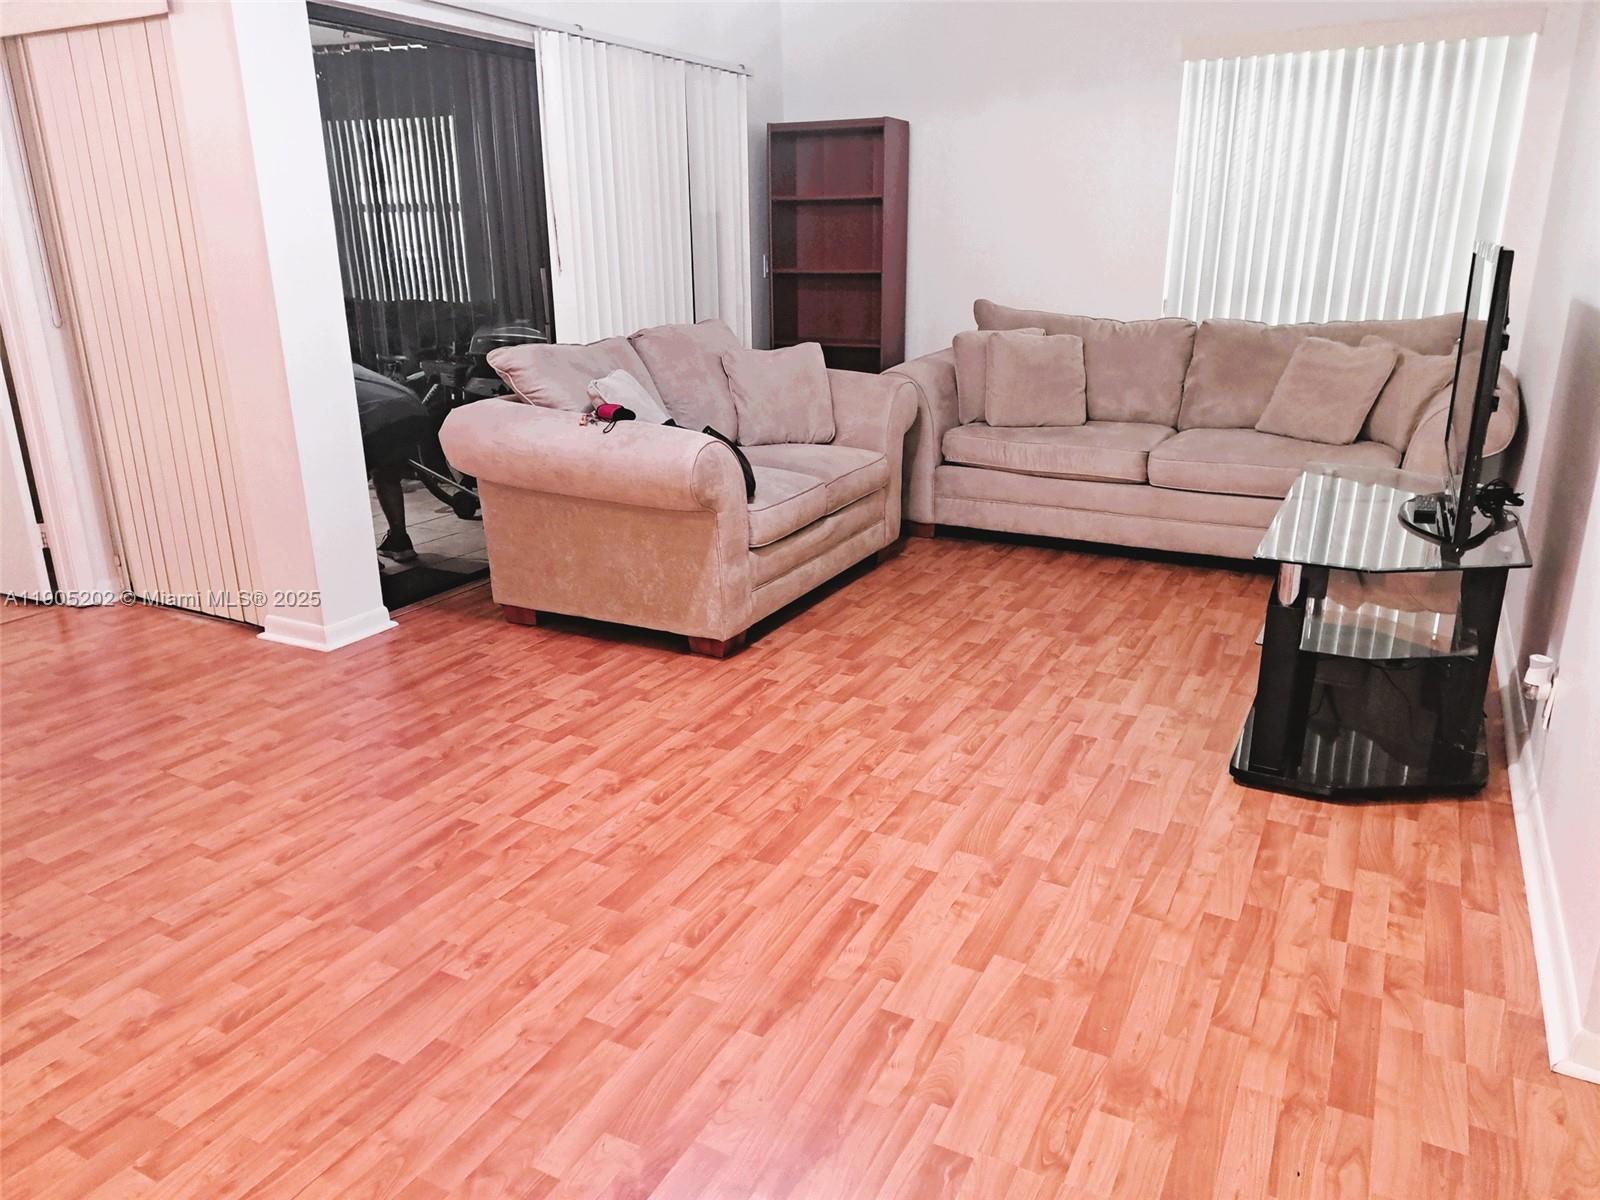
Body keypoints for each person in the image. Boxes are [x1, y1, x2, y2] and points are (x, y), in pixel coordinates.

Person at [353, 363, 433, 563]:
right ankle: (399, 541)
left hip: (378, 416)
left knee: (346, 485)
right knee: (387, 473)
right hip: (412, 409)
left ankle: (361, 558)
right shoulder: (351, 367)